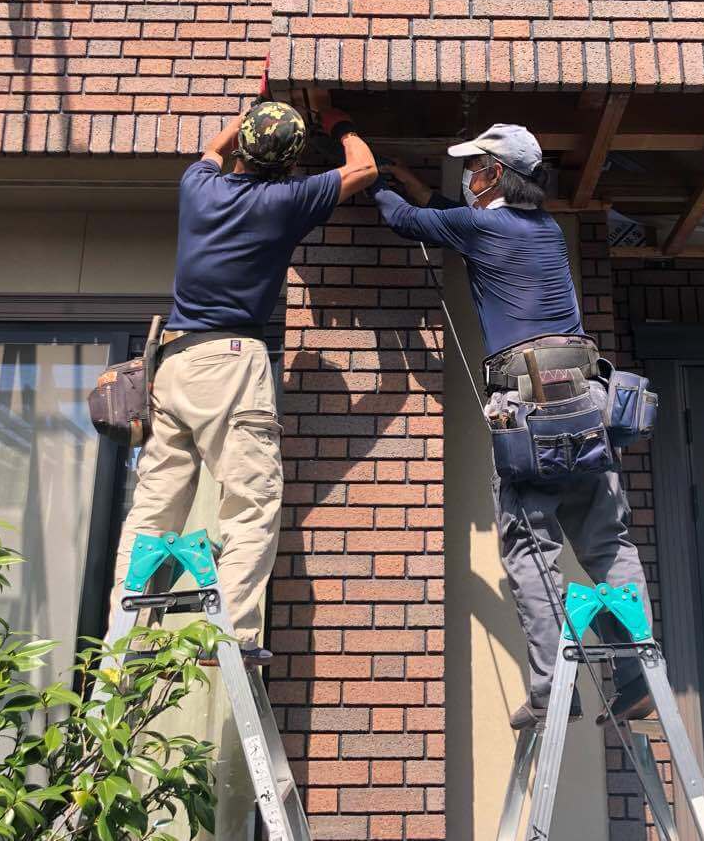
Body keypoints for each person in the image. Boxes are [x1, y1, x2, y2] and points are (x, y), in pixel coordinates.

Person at [370, 124, 655, 729]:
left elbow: (406, 221)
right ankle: (636, 678)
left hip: (529, 399)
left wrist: (371, 176)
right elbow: (455, 217)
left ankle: (555, 690)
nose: (468, 177)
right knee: (607, 540)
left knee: (530, 543)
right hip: (585, 392)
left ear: (496, 174)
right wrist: (423, 186)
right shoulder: (543, 230)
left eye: (475, 166)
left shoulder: (483, 227)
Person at [110, 100, 377, 657]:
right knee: (250, 503)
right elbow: (364, 169)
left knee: (154, 509)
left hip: (174, 365)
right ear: (288, 163)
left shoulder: (197, 185)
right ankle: (230, 637)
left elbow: (213, 148)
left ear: (244, 146)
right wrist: (340, 122)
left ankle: (125, 634)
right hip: (231, 363)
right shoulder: (282, 201)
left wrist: (251, 113)